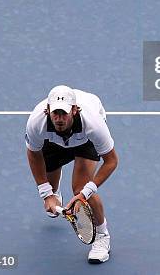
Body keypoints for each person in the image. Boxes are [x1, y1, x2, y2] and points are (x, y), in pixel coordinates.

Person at [25, 85, 118, 264]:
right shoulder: (37, 122)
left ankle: (102, 236)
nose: (59, 119)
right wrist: (46, 194)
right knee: (50, 189)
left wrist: (84, 194)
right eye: (55, 113)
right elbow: (33, 153)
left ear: (74, 110)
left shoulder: (93, 124)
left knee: (79, 188)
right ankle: (55, 192)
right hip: (52, 142)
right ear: (47, 111)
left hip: (85, 141)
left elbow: (112, 161)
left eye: (64, 113)